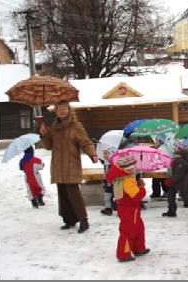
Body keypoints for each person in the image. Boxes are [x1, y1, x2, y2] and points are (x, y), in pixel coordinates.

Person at [39, 100, 99, 233]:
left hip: (71, 164)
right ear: (56, 111)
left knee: (73, 193)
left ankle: (83, 220)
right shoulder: (54, 127)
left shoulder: (75, 125)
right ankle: (69, 219)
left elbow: (85, 142)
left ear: (69, 110)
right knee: (63, 194)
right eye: (59, 109)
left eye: (64, 109)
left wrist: (92, 154)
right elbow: (49, 146)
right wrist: (44, 134)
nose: (62, 111)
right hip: (58, 165)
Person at [106, 153, 150, 262]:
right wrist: (141, 187)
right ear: (129, 168)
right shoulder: (127, 180)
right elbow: (136, 195)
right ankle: (123, 254)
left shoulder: (123, 178)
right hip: (130, 209)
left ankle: (138, 247)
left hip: (129, 208)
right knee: (128, 230)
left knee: (138, 227)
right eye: (134, 166)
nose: (136, 168)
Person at [162, 146, 188, 218]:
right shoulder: (178, 158)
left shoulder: (181, 160)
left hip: (179, 182)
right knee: (171, 196)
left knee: (185, 197)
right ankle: (171, 210)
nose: (174, 149)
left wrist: (172, 180)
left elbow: (179, 173)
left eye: (175, 148)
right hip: (175, 182)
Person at [99, 146, 118, 215]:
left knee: (117, 197)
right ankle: (108, 208)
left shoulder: (115, 164)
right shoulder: (106, 164)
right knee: (107, 197)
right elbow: (105, 174)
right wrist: (104, 182)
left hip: (116, 183)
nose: (104, 155)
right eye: (104, 154)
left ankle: (119, 208)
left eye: (106, 153)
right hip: (108, 184)